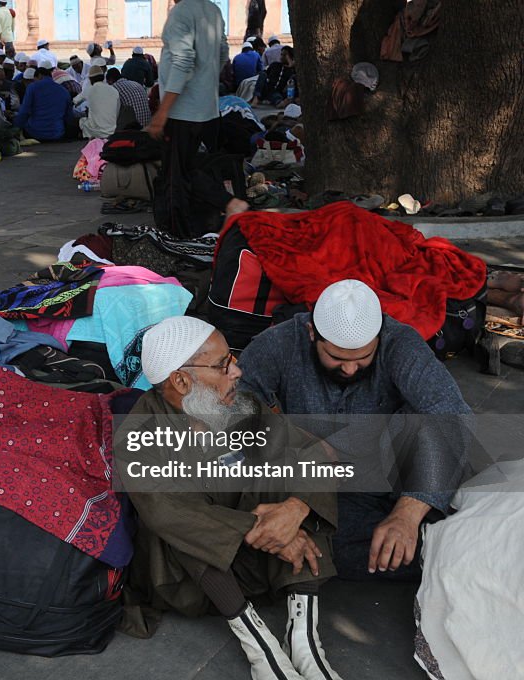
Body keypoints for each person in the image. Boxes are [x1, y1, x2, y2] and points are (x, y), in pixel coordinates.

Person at [118, 315, 345, 680]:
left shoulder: (239, 406)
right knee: (184, 523)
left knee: (292, 469)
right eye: (224, 364)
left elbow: (312, 453)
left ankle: (302, 638)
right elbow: (171, 515)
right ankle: (260, 647)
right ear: (181, 380)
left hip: (253, 560)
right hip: (189, 578)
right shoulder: (139, 438)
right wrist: (262, 528)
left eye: (232, 359)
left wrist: (293, 510)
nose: (237, 371)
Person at [238, 280, 474, 582]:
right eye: (336, 358)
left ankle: (432, 537)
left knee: (440, 443)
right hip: (329, 484)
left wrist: (407, 514)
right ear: (312, 333)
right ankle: (440, 550)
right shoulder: (277, 344)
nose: (350, 370)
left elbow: (451, 414)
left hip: (397, 471)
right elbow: (235, 413)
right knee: (326, 548)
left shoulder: (400, 342)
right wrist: (299, 444)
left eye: (362, 359)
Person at [148, 0, 247, 238]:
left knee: (178, 176)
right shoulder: (213, 9)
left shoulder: (180, 13)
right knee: (196, 168)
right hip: (208, 109)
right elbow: (223, 51)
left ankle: (222, 208)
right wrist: (207, 80)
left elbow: (183, 62)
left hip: (182, 112)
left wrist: (163, 111)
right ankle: (207, 223)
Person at [14, 63, 74, 142]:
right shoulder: (63, 90)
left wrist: (15, 128)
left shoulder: (33, 87)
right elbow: (69, 117)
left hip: (35, 133)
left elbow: (24, 111)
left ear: (39, 76)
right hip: (57, 134)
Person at [74, 65, 119, 139]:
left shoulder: (89, 90)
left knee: (80, 120)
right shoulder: (114, 90)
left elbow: (75, 102)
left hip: (96, 131)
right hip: (112, 130)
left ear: (91, 79)